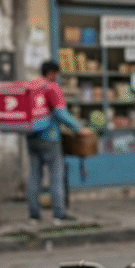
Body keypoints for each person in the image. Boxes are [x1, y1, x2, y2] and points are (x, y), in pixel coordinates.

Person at [26, 60, 89, 224]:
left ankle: (33, 215)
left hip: (31, 137)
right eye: (57, 74)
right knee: (56, 176)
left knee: (34, 176)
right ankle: (58, 214)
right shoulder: (51, 87)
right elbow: (61, 114)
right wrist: (78, 128)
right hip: (50, 138)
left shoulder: (32, 86)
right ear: (52, 73)